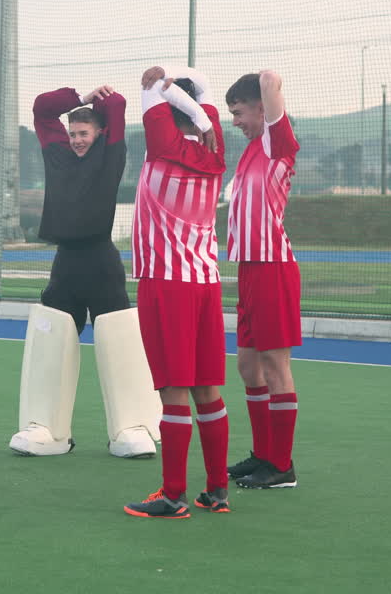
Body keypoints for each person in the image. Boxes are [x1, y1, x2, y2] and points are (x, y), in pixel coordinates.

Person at [8, 84, 162, 459]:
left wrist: (100, 102)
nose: (77, 140)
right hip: (65, 264)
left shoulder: (110, 154)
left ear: (99, 133)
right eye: (73, 133)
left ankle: (130, 427)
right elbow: (43, 108)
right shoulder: (57, 153)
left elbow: (119, 104)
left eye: (84, 133)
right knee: (53, 337)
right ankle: (47, 430)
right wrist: (80, 98)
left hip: (102, 262)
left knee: (119, 338)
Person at [123, 65, 231, 518]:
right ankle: (217, 491)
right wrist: (197, 107)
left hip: (168, 284)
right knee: (207, 388)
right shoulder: (215, 149)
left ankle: (172, 495)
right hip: (206, 283)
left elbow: (150, 90)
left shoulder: (163, 148)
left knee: (173, 389)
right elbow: (202, 88)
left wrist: (160, 84)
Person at [223, 70, 302, 490]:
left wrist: (262, 83)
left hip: (273, 267)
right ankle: (263, 455)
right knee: (247, 365)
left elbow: (271, 81)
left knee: (274, 365)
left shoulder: (277, 143)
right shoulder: (252, 149)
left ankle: (282, 466)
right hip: (250, 269)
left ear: (261, 109)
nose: (234, 120)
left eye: (238, 112)